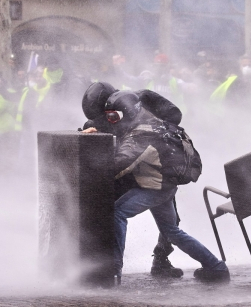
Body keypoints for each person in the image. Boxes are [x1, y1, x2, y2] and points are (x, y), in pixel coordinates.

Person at [84, 90, 230, 284]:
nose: (110, 120)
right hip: (165, 185)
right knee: (171, 231)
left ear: (126, 113)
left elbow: (120, 164)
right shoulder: (151, 122)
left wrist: (87, 171)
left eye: (113, 116)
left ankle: (114, 272)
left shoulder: (140, 134)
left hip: (154, 188)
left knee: (117, 213)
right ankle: (216, 267)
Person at [81, 81, 184, 278]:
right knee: (111, 210)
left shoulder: (143, 98)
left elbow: (175, 115)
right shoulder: (108, 116)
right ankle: (104, 263)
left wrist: (150, 128)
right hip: (129, 165)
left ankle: (161, 259)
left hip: (157, 166)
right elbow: (95, 125)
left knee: (171, 220)